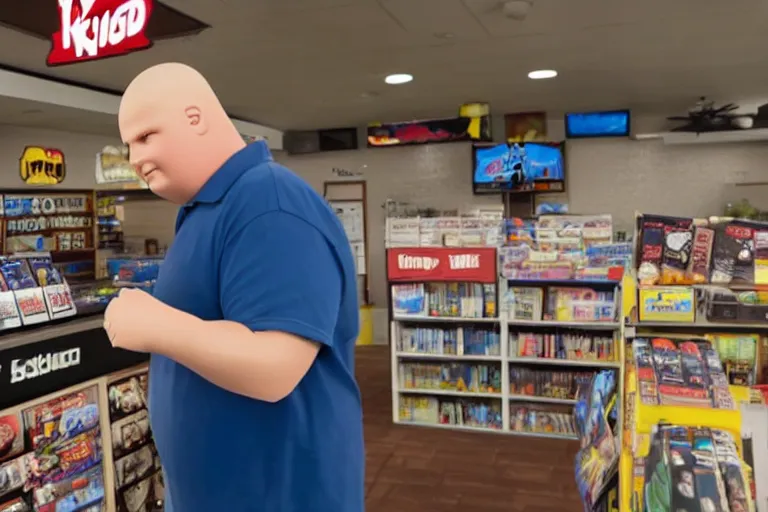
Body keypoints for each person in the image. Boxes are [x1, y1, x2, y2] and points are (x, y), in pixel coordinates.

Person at [104, 62, 365, 512]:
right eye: (128, 144)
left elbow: (273, 365)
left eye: (146, 136)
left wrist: (152, 324)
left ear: (195, 117)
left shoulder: (269, 204)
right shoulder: (209, 207)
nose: (134, 158)